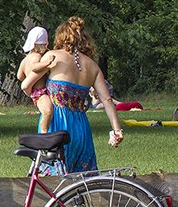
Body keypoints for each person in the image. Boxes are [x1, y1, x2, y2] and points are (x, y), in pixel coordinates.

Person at [23, 16, 124, 173]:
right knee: (81, 183)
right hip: (81, 129)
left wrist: (37, 96)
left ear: (61, 37)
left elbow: (27, 83)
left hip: (56, 125)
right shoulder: (93, 67)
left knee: (51, 183)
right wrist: (117, 130)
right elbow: (107, 99)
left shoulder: (52, 57)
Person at [17, 26, 55, 133]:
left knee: (46, 111)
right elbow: (35, 67)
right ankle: (44, 132)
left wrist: (27, 74)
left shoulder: (24, 60)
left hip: (34, 92)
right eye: (45, 45)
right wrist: (47, 64)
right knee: (48, 111)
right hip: (40, 92)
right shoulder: (36, 56)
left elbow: (19, 76)